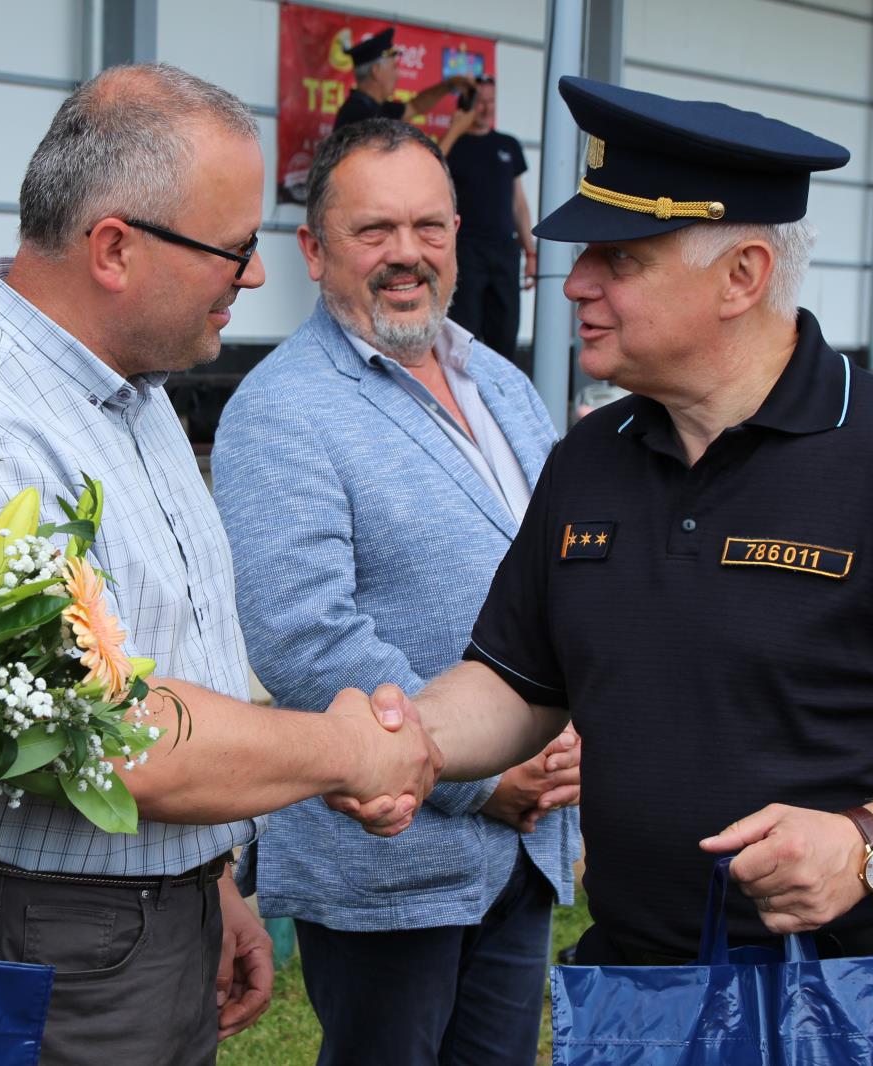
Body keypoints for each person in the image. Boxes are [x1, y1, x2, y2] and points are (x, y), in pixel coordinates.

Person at [0, 63, 441, 1066]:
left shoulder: (133, 390)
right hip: (33, 947)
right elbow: (106, 733)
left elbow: (169, 655)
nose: (253, 278)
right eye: (234, 250)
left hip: (129, 922)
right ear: (115, 248)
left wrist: (207, 880)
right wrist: (345, 749)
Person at [409, 76, 873, 1063]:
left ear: (742, 275)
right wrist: (399, 742)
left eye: (619, 258)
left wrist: (868, 843)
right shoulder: (589, 459)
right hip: (643, 994)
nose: (573, 283)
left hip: (860, 997)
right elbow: (518, 683)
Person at [212, 118, 580, 1066]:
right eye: (374, 230)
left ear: (459, 234)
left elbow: (560, 579)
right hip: (388, 860)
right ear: (314, 251)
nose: (406, 253)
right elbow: (304, 635)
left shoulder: (501, 384)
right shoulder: (280, 409)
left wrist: (572, 725)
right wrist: (484, 774)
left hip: (527, 845)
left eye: (429, 226)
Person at [444, 76, 537, 370]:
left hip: (504, 253)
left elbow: (519, 203)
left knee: (505, 335)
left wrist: (530, 252)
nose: (486, 108)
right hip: (466, 253)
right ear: (467, 105)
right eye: (480, 102)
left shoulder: (508, 145)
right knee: (464, 335)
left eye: (491, 101)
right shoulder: (454, 145)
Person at [333, 28, 473, 133]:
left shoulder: (374, 107)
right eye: (394, 67)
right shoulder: (360, 116)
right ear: (376, 71)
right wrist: (455, 130)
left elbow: (415, 107)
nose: (398, 75)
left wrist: (449, 85)